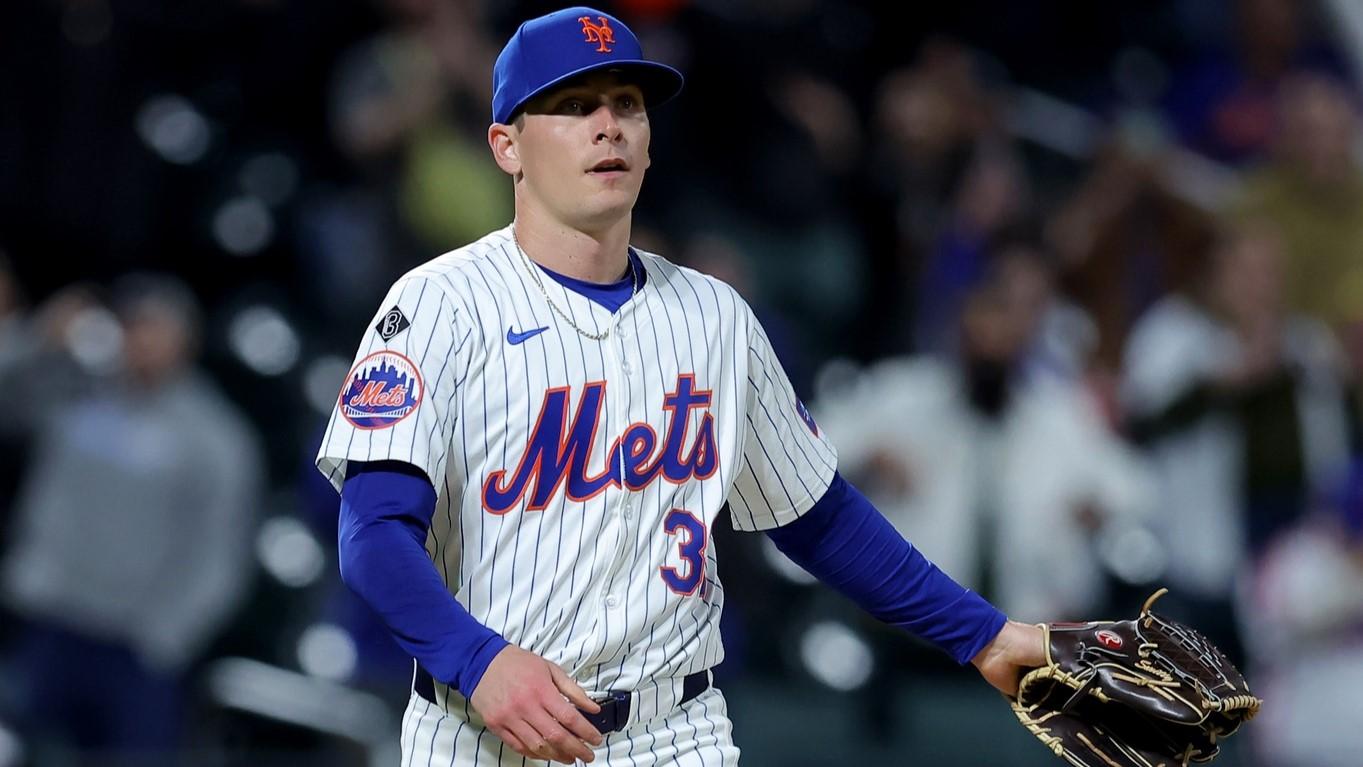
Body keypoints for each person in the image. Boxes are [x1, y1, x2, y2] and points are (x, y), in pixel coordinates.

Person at [315, 7, 1043, 765]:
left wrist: (983, 633)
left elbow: (816, 518)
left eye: (626, 104)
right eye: (573, 105)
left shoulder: (716, 316)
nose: (609, 126)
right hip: (482, 729)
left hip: (674, 730)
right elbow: (372, 532)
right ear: (506, 146)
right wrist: (477, 659)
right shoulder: (437, 305)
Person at [0, 273, 264, 759]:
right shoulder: (68, 392)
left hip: (136, 647)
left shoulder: (216, 438)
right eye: (133, 325)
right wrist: (37, 339)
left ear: (185, 339)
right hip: (48, 620)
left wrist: (167, 636)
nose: (143, 341)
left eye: (156, 328)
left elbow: (220, 554)